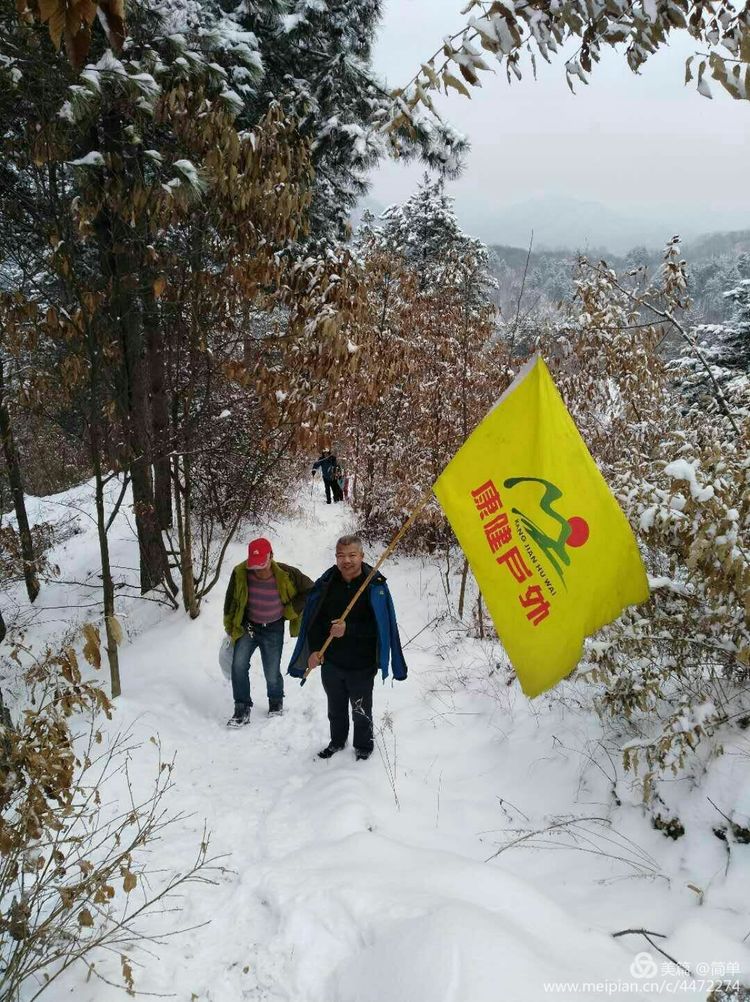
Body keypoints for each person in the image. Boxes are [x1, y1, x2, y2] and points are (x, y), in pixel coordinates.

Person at [288, 535, 407, 760]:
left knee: (361, 710)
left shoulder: (374, 586)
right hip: (332, 662)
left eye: (352, 555)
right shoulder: (327, 583)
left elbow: (379, 628)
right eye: (341, 556)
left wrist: (348, 628)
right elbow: (315, 621)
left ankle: (363, 747)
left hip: (361, 664)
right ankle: (337, 741)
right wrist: (314, 650)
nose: (347, 561)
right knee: (336, 709)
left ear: (362, 556)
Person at [223, 537, 313, 727]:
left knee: (271, 670)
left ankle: (275, 701)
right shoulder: (241, 573)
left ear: (271, 556)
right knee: (238, 665)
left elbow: (311, 589)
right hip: (248, 627)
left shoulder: (287, 573)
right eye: (254, 565)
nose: (259, 569)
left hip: (273, 628)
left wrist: (291, 610)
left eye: (262, 564)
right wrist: (230, 626)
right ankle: (241, 708)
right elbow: (231, 599)